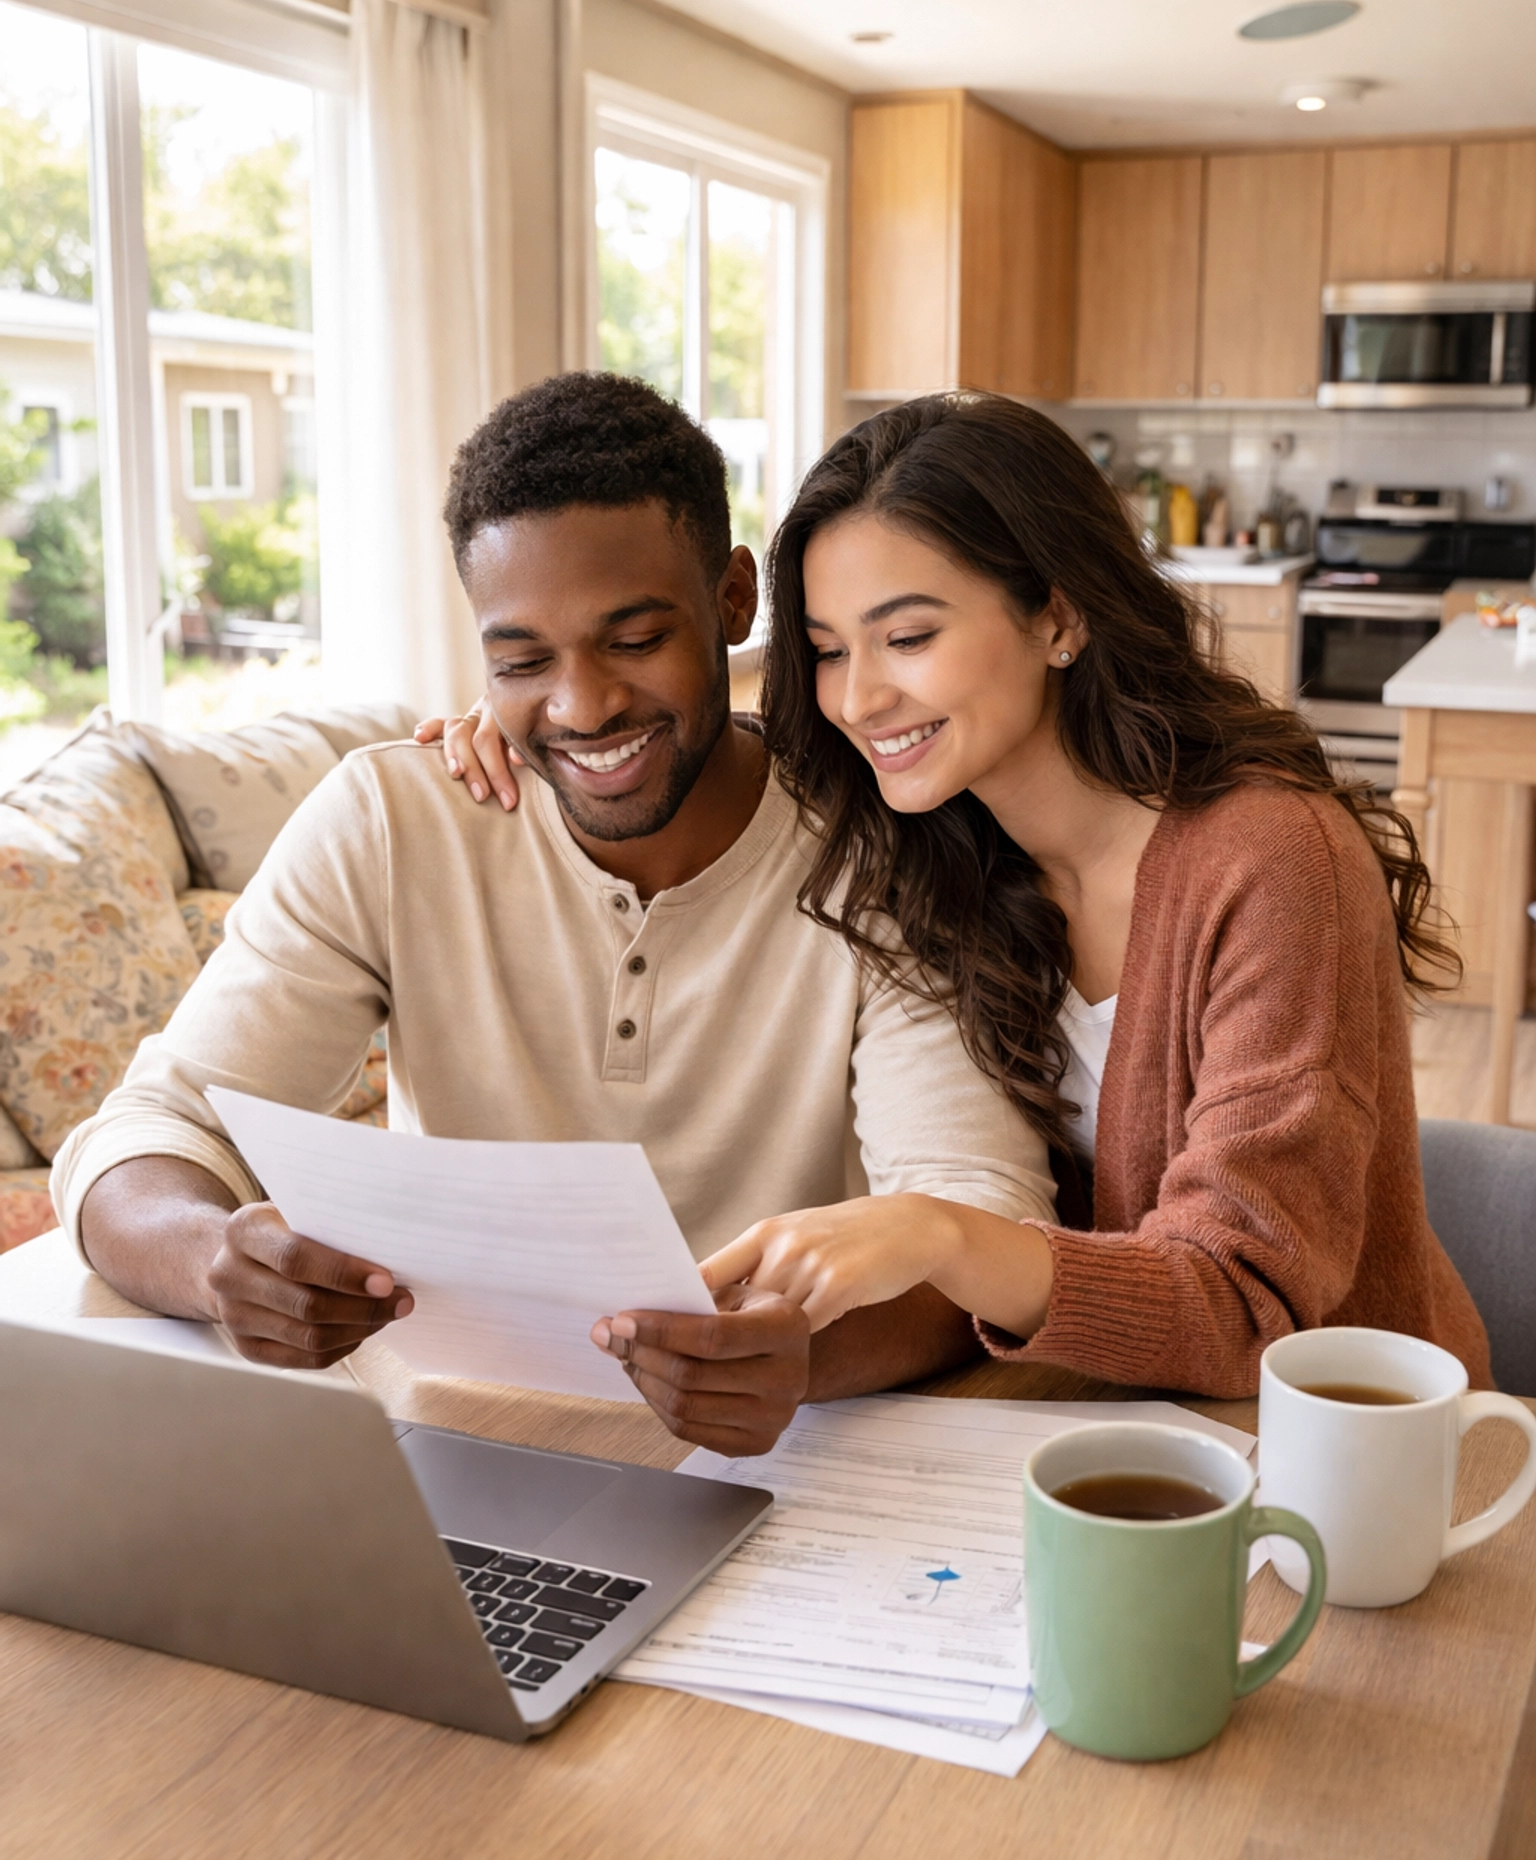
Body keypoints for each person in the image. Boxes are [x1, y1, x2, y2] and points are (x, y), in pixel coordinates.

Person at [54, 375, 1055, 1454]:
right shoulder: (391, 821)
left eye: (631, 641)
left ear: (732, 600)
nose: (581, 708)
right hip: (454, 1445)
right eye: (522, 661)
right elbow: (145, 1138)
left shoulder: (890, 848)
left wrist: (805, 1355)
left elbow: (978, 1224)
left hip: (792, 1457)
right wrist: (212, 1264)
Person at [446, 392, 1487, 1397]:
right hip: (1076, 1425)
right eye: (826, 651)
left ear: (1058, 616)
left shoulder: (1273, 862)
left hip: (1342, 1456)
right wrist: (554, 730)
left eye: (909, 638)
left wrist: (942, 1236)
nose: (859, 698)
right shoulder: (921, 840)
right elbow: (700, 760)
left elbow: (1246, 1301)